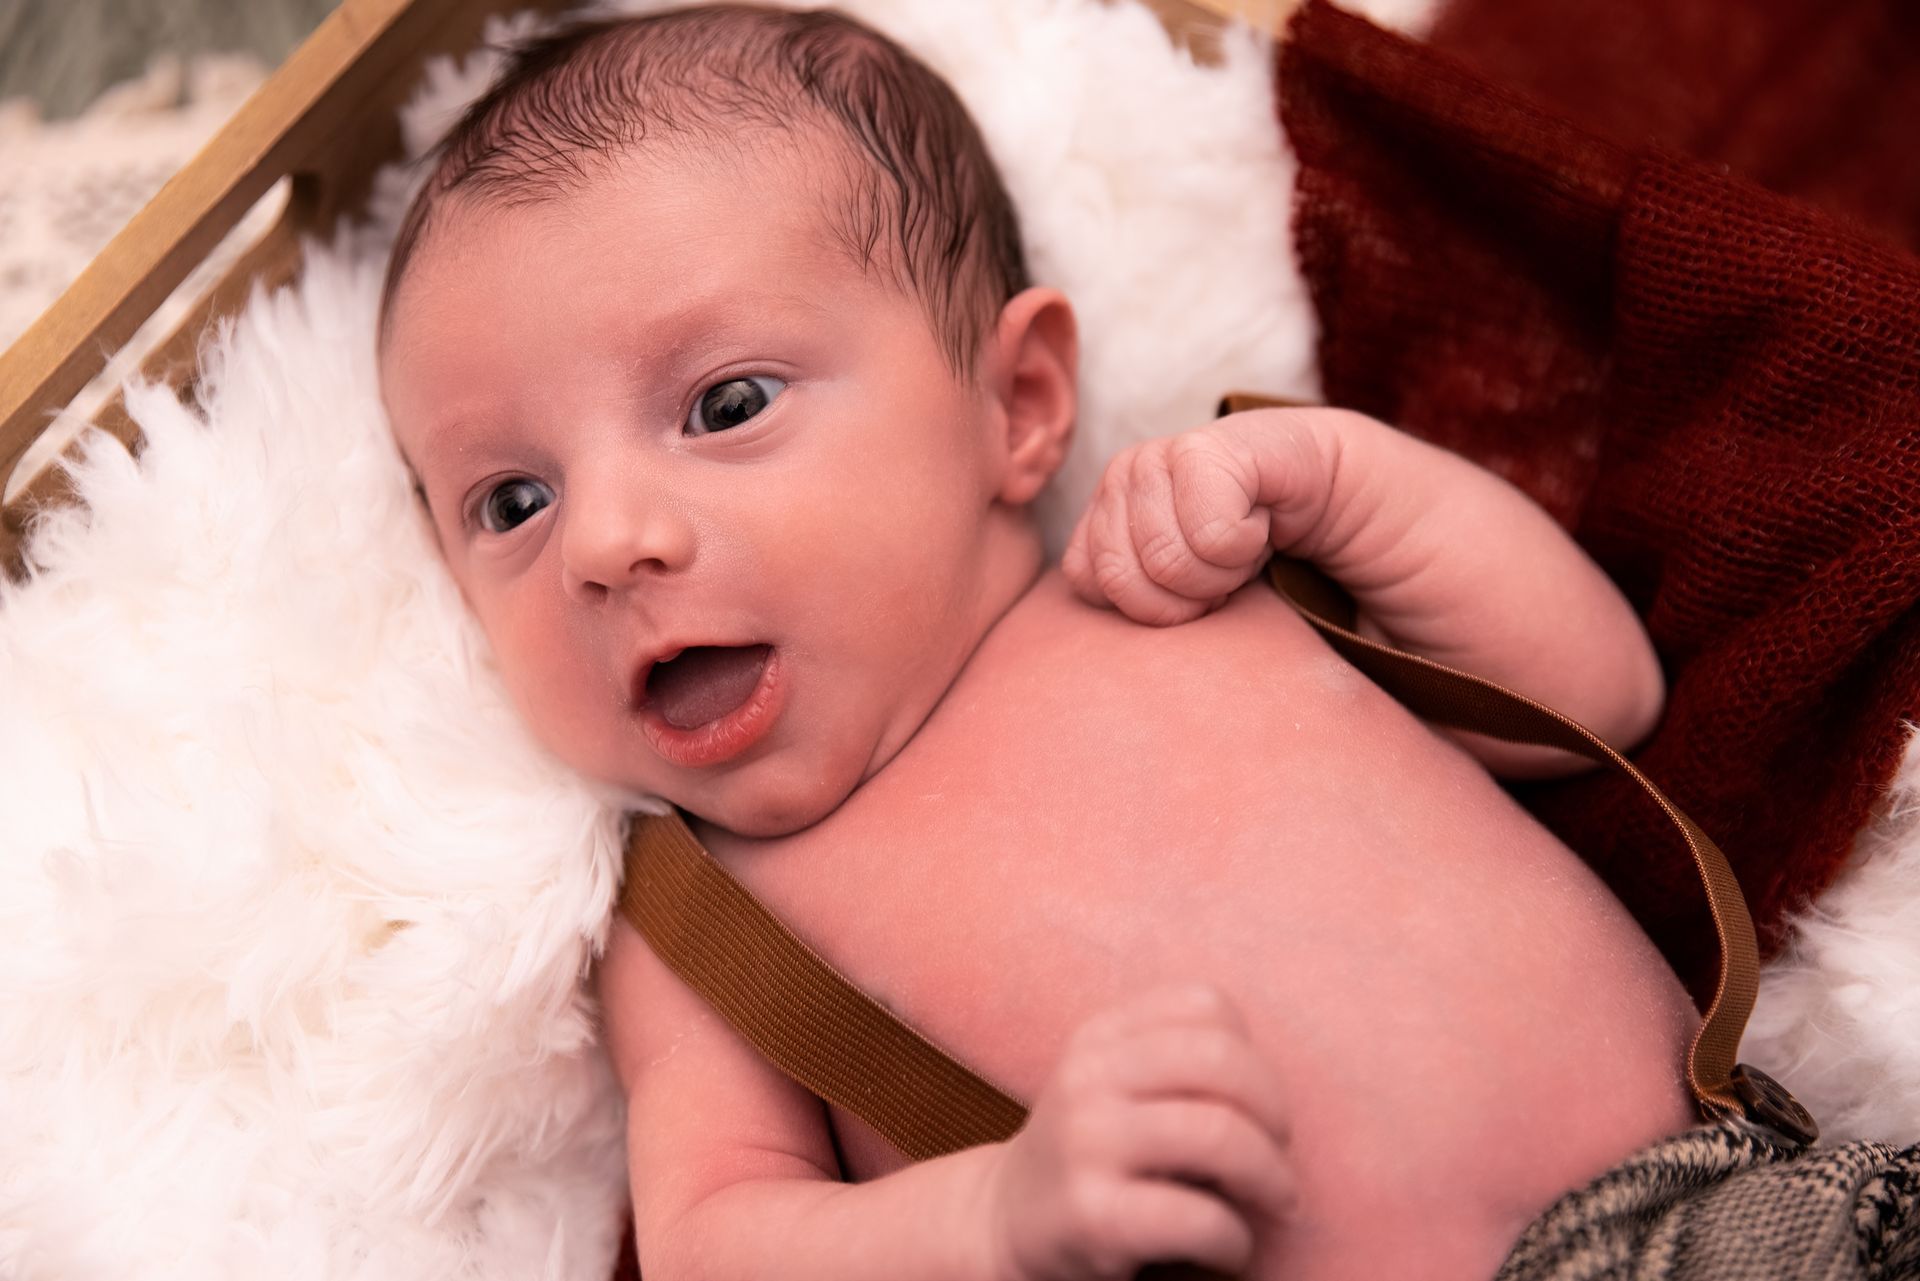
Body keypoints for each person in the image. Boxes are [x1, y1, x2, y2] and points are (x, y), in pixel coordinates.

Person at [376, 8, 1706, 1279]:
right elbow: (717, 1240)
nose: (606, 540)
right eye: (513, 502)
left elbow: (1595, 689)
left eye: (724, 404)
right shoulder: (706, 924)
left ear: (1018, 402)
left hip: (1728, 1199)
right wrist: (994, 1221)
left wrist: (1341, 482)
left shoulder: (1168, 577)